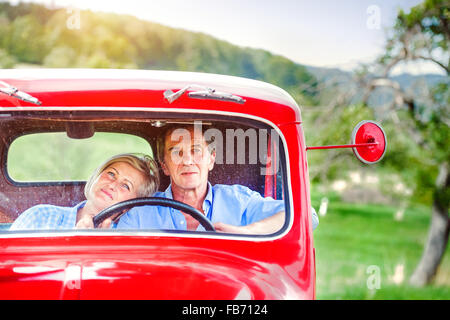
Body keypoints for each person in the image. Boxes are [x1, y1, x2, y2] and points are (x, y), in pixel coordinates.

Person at [117, 125, 318, 234]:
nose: (187, 160)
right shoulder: (141, 214)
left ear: (211, 159)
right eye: (176, 152)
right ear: (164, 166)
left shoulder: (238, 201)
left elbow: (307, 215)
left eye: (196, 150)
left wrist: (247, 231)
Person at [10, 153, 159, 230]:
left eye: (126, 186)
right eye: (111, 174)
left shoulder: (130, 237)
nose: (112, 185)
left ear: (131, 204)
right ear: (96, 176)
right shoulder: (41, 216)